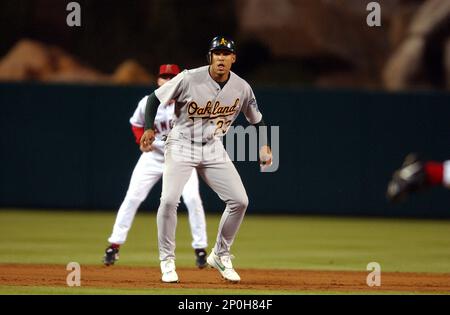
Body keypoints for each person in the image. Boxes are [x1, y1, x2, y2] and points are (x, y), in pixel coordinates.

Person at [140, 36, 273, 283]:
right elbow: (154, 98)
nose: (221, 57)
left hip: (213, 146)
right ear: (210, 57)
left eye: (226, 53)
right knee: (169, 201)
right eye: (217, 53)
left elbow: (258, 120)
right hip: (181, 143)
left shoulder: (242, 87)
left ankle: (220, 255)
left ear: (233, 58)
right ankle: (167, 261)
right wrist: (149, 127)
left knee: (240, 201)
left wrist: (265, 145)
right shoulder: (189, 77)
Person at [103, 64, 208, 268]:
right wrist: (140, 141)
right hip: (153, 158)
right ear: (158, 81)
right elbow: (136, 123)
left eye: (172, 77)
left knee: (193, 199)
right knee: (132, 197)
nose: (167, 81)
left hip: (181, 159)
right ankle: (113, 246)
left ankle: (201, 250)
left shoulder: (189, 103)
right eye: (163, 77)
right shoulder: (147, 102)